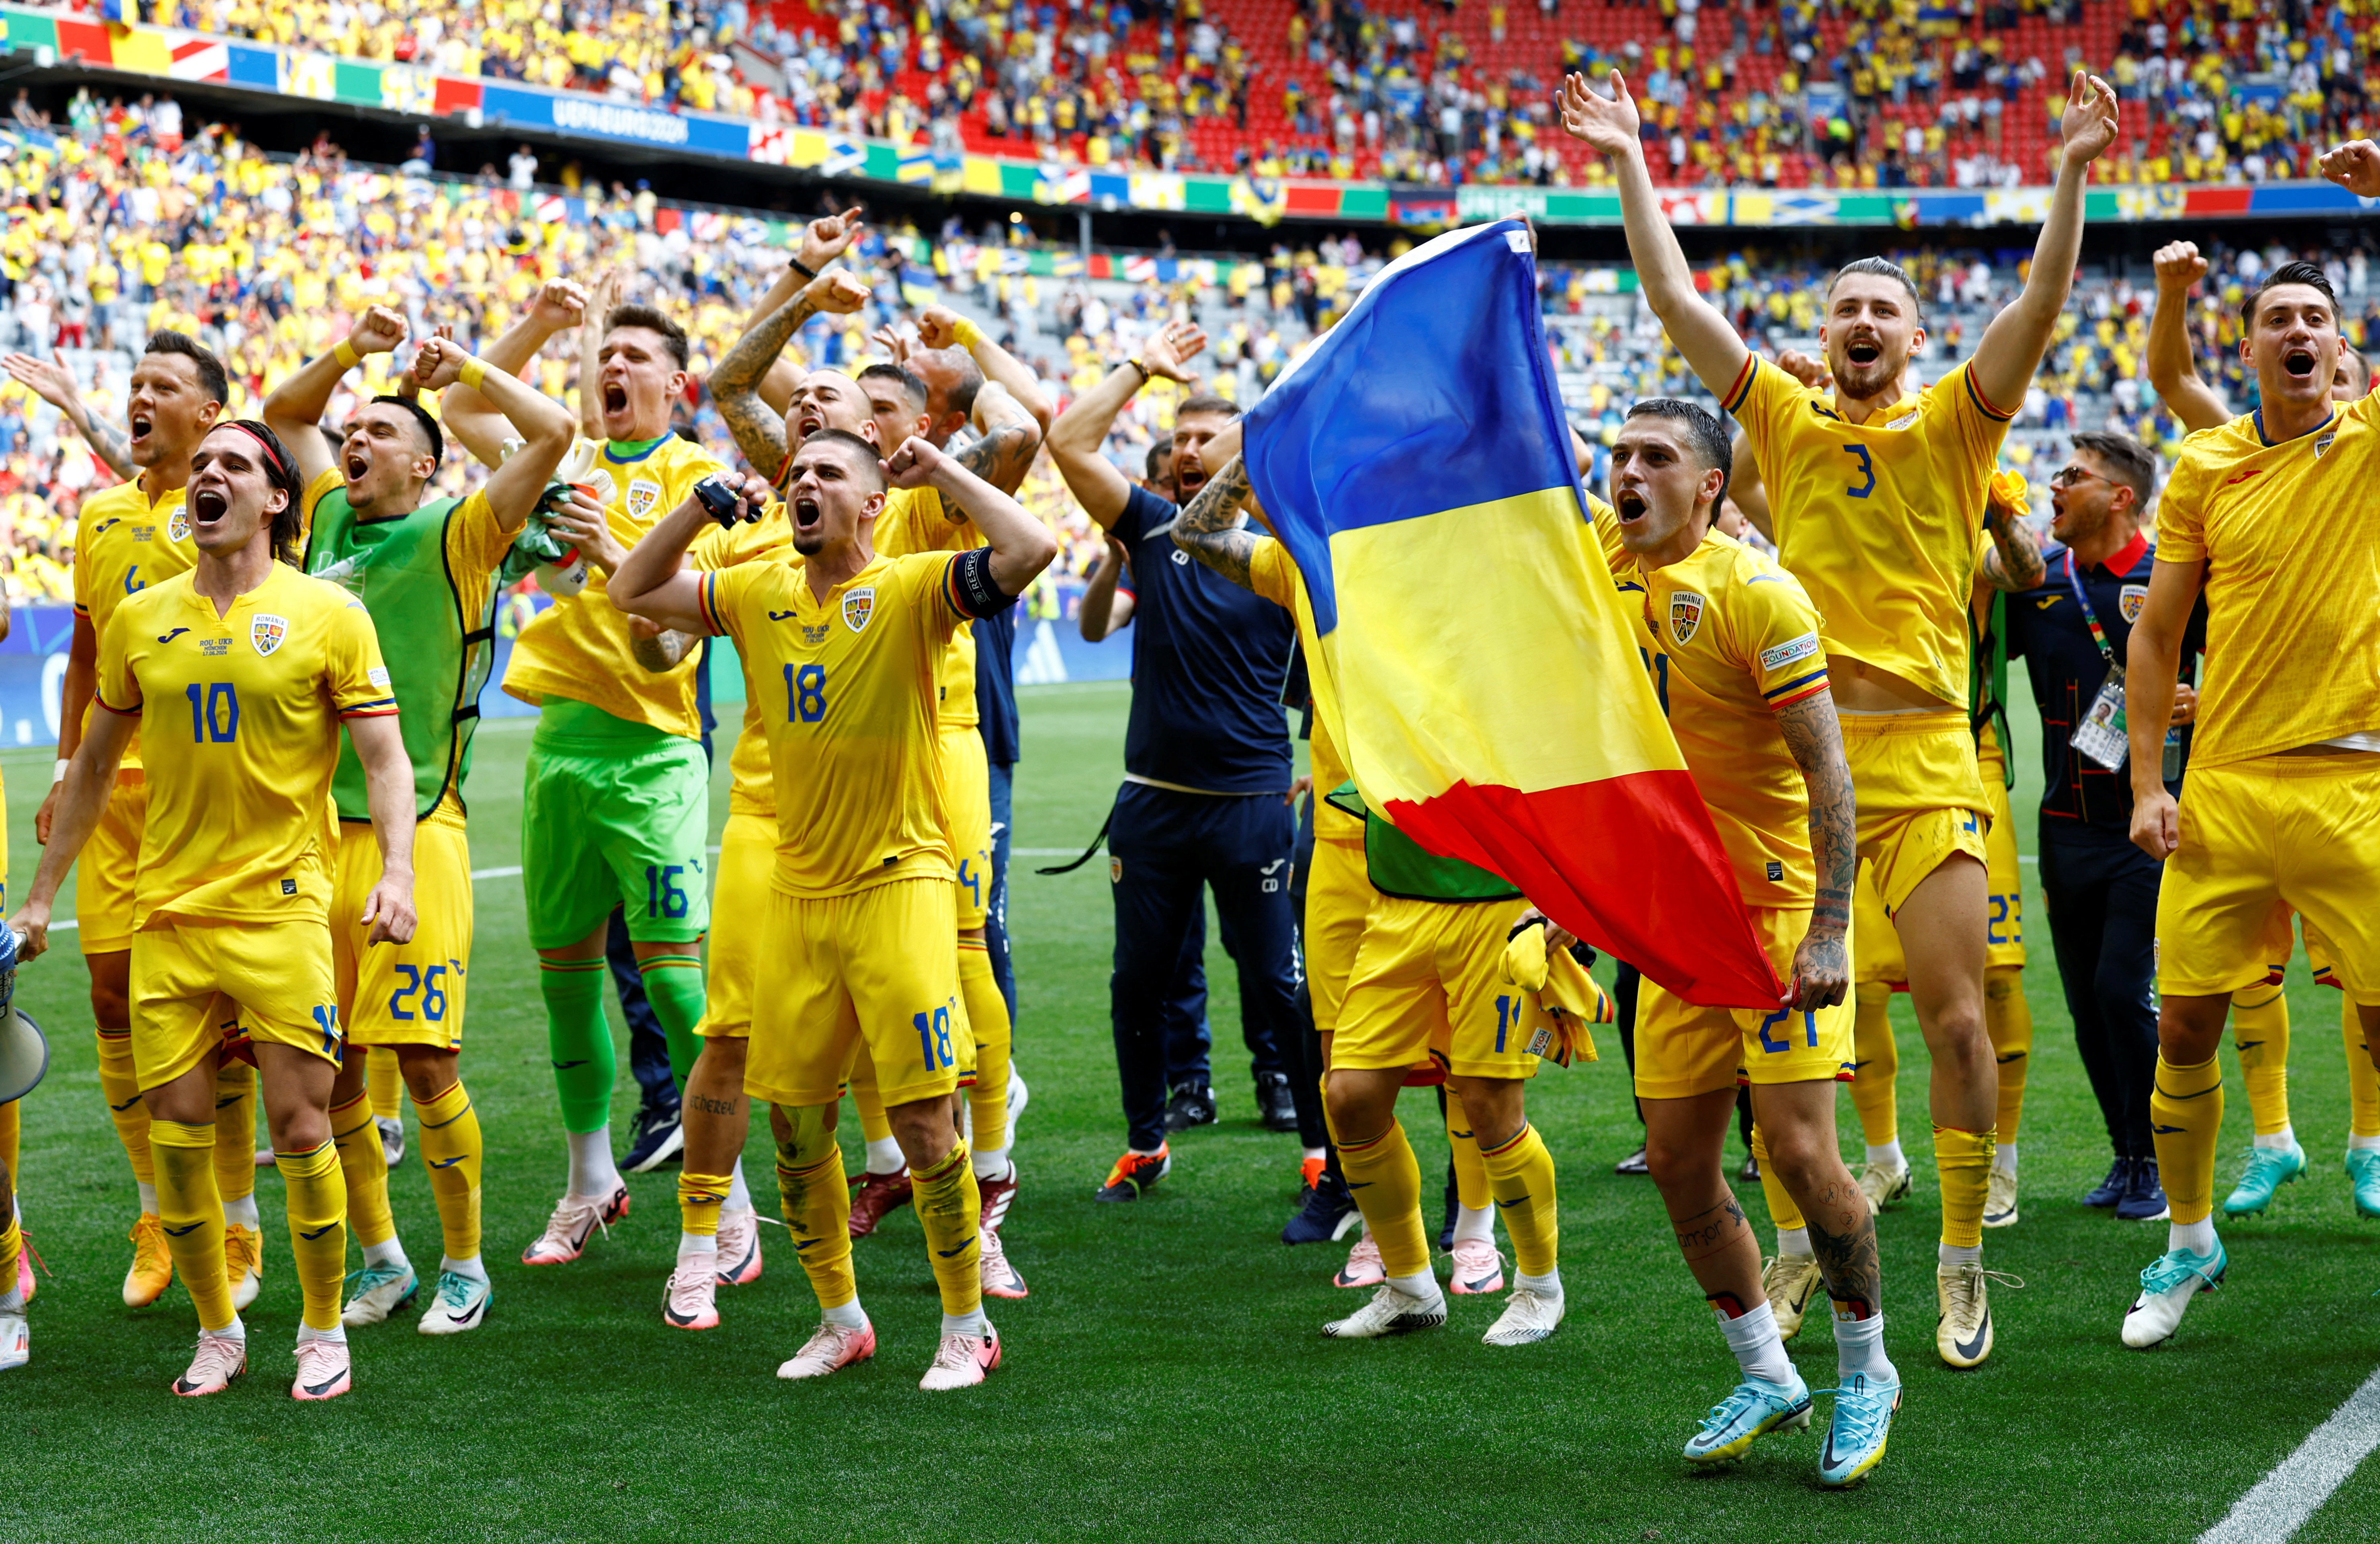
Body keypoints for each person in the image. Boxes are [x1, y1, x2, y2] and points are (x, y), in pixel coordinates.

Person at [1562, 64, 2119, 1369]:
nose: (1863, 322)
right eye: (1845, 309)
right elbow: (1675, 302)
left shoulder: (1958, 425)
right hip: (1794, 766)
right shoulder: (1781, 415)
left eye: (1883, 310)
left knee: (1954, 1019)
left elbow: (2040, 304)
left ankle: (1962, 1261)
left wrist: (2070, 172)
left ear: (1916, 338)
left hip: (1924, 757)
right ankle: (1807, 1230)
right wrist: (1631, 158)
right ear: (1823, 335)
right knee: (1793, 1027)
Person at [608, 428, 1057, 1388]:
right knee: (797, 1129)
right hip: (798, 895)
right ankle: (841, 1320)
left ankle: (966, 1326)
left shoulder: (913, 586)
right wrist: (696, 509)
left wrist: (939, 470)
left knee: (926, 1122)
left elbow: (1030, 548)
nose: (805, 482)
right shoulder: (756, 589)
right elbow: (632, 590)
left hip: (901, 884)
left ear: (872, 503)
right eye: (797, 473)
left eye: (829, 473)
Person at [12, 418, 418, 1401]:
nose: (209, 473)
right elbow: (95, 768)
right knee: (180, 1134)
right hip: (166, 915)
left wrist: (398, 872)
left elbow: (384, 758)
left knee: (301, 1128)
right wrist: (40, 899)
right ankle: (218, 1331)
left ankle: (322, 1331)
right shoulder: (139, 618)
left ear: (276, 500)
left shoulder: (329, 613)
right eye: (203, 463)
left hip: (283, 911)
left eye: (234, 463)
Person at [1171, 455, 1568, 1350]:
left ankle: (1534, 1281)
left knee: (1486, 1099)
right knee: (1349, 1093)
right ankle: (1410, 1283)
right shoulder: (1314, 570)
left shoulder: (1493, 578)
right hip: (1382, 880)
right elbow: (1195, 533)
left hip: (1484, 882)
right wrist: (1258, 445)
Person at [708, 290, 1045, 1304]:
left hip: (931, 745)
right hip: (794, 772)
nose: (808, 408)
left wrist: (960, 359)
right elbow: (731, 382)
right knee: (814, 992)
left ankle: (987, 1182)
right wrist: (805, 286)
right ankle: (886, 1165)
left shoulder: (914, 502)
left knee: (962, 949)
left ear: (883, 436)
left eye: (840, 403)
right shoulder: (787, 506)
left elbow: (1021, 434)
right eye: (801, 406)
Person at [1587, 400, 1895, 1485]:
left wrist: (1829, 928)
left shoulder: (1758, 593)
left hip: (1772, 917)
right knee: (1677, 1159)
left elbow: (1828, 771)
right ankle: (1767, 1371)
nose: (1628, 473)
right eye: (1621, 456)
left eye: (1656, 458)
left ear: (1710, 484)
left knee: (1800, 1154)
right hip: (1673, 918)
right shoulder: (1604, 563)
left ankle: (1866, 1367)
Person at [262, 311, 577, 1335]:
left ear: (427, 463)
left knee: (428, 1063)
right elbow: (286, 413)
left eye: (381, 431)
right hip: (312, 839)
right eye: (351, 431)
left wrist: (463, 367)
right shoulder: (328, 517)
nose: (354, 438)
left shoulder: (461, 530)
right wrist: (355, 352)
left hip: (419, 831)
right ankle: (384, 1259)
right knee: (331, 1071)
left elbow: (553, 433)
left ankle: (466, 1266)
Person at [2118, 187, 2380, 1347]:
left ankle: (2363, 1148)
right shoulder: (2205, 463)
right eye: (2277, 319)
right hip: (2223, 788)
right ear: (2251, 348)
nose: (2298, 332)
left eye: (2315, 319)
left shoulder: (2367, 442)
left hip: (2355, 785)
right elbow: (2157, 633)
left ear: (2343, 347)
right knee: (2182, 1026)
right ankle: (2188, 1243)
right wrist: (2147, 783)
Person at [444, 281, 726, 1268]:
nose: (615, 367)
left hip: (653, 755)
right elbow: (465, 406)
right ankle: (590, 1182)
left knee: (680, 993)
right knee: (565, 987)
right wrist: (540, 325)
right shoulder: (564, 466)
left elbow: (673, 636)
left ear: (676, 384)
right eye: (607, 356)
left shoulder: (701, 481)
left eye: (636, 357)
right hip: (559, 748)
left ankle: (726, 1201)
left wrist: (608, 551)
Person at [11, 333, 267, 1312]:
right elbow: (85, 654)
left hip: (202, 796)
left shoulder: (222, 515)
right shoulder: (101, 516)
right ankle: (159, 1215)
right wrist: (65, 766)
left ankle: (238, 1224)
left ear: (211, 416)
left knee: (221, 1019)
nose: (141, 396)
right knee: (113, 1002)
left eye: (163, 386)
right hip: (112, 801)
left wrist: (80, 416)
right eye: (134, 385)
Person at [1045, 321, 1304, 1201]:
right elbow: (1069, 441)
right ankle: (1145, 1143)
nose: (1188, 450)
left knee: (1277, 983)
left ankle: (1322, 1153)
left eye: (1208, 437)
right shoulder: (1153, 530)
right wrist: (1137, 368)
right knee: (1137, 984)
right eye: (1180, 437)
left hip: (1251, 803)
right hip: (1152, 803)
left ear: (1244, 451)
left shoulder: (1284, 549)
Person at [2001, 432, 2197, 1227]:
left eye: (2072, 476)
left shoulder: (2176, 577)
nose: (2054, 486)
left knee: (2123, 990)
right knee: (2086, 1003)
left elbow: (2242, 659)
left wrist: (2205, 700)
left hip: (2147, 827)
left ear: (2120, 497)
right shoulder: (2037, 583)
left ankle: (2159, 1160)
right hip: (2063, 828)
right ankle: (2126, 1156)